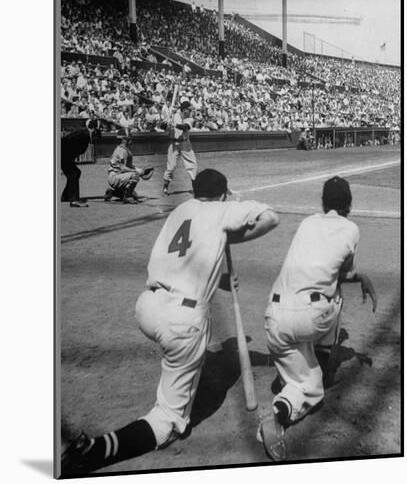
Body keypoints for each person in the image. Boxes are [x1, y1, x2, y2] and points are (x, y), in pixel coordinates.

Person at [61, 168, 280, 475]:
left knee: (182, 341)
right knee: (169, 421)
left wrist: (218, 271)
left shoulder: (179, 210)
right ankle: (95, 450)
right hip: (182, 320)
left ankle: (179, 359)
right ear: (222, 194)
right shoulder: (223, 208)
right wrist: (232, 229)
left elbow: (185, 257)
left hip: (148, 307)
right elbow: (271, 217)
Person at [257, 176, 377, 462]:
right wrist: (363, 277)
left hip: (274, 320)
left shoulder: (308, 222)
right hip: (311, 319)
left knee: (304, 383)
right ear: (349, 203)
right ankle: (318, 368)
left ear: (323, 202)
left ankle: (285, 405)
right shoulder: (351, 228)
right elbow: (342, 273)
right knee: (335, 295)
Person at [61, 119, 100, 208]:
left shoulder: (84, 134)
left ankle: (66, 196)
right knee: (74, 173)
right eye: (96, 131)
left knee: (75, 172)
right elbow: (66, 142)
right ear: (93, 129)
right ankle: (74, 200)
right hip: (62, 155)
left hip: (64, 155)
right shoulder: (83, 135)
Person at [104, 135, 153, 204]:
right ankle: (127, 197)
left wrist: (142, 171)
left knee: (135, 196)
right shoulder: (122, 150)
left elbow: (129, 166)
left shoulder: (124, 149)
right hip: (114, 177)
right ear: (124, 140)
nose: (131, 141)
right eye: (129, 140)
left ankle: (112, 193)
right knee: (135, 176)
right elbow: (123, 168)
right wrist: (138, 172)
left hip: (119, 176)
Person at [162, 100, 198, 195]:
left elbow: (185, 127)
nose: (191, 111)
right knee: (171, 166)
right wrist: (165, 123)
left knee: (192, 165)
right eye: (189, 110)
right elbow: (163, 127)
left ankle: (196, 188)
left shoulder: (190, 119)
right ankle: (165, 187)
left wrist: (175, 124)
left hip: (185, 144)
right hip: (173, 143)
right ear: (184, 109)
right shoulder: (174, 116)